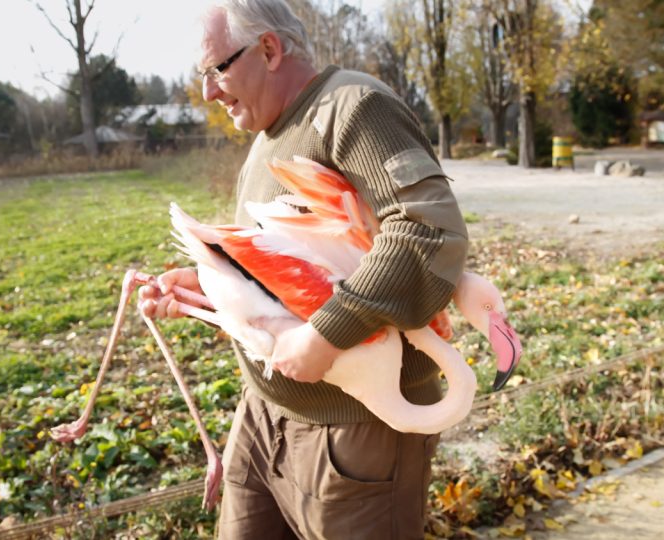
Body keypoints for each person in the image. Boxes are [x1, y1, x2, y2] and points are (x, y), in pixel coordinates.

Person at [139, 1, 469, 537]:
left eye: (216, 70)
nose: (208, 93)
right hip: (263, 414)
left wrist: (327, 332)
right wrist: (208, 286)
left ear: (268, 49)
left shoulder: (354, 108)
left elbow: (427, 232)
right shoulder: (270, 134)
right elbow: (305, 269)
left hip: (355, 433)